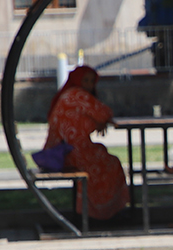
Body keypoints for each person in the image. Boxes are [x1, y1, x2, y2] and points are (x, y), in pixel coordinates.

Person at [43, 65, 129, 220]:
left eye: (92, 81)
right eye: (86, 80)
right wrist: (100, 121)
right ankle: (100, 213)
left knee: (102, 152)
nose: (89, 85)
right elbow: (104, 112)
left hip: (61, 151)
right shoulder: (78, 94)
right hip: (69, 153)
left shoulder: (69, 94)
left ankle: (96, 212)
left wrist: (99, 121)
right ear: (77, 80)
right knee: (111, 163)